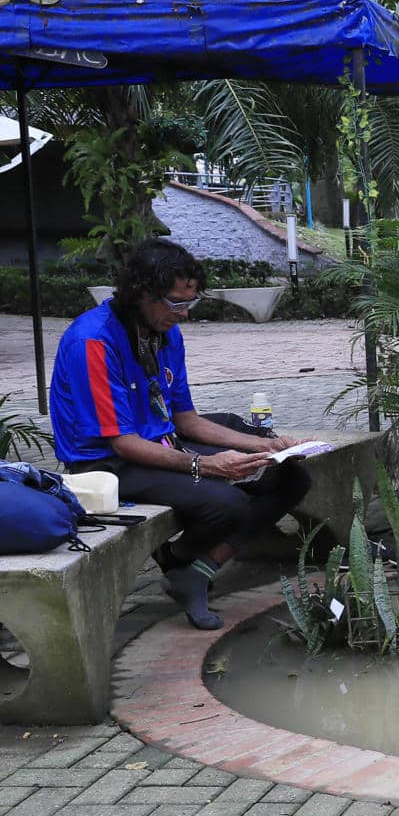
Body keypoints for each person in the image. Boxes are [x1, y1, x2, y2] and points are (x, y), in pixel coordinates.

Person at [49, 238, 310, 630]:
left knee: (290, 473)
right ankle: (175, 559)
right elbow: (122, 441)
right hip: (106, 462)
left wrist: (266, 445)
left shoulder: (164, 332)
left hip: (162, 438)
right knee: (229, 503)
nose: (185, 313)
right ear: (140, 293)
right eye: (175, 303)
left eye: (191, 301)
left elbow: (185, 418)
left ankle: (194, 568)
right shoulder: (94, 341)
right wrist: (205, 465)